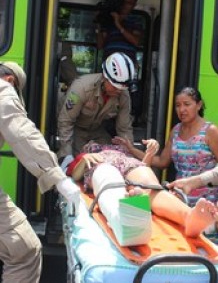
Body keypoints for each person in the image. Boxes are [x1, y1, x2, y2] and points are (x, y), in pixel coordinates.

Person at [0, 61, 81, 283]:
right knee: (25, 251)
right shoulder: (3, 89)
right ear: (11, 81)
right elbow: (22, 133)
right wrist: (57, 177)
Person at [66, 140, 218, 245]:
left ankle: (188, 217)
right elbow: (74, 175)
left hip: (129, 163)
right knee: (109, 182)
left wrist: (148, 154)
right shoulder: (86, 155)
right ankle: (124, 220)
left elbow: (143, 166)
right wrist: (84, 159)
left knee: (150, 186)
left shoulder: (124, 152)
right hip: (100, 164)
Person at [116, 87, 218, 199]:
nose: (181, 109)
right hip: (180, 197)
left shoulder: (211, 131)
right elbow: (161, 162)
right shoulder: (176, 130)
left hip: (208, 200)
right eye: (178, 105)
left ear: (199, 105)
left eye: (187, 104)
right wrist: (131, 149)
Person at [57, 52, 135, 159]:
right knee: (80, 162)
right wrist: (66, 155)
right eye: (115, 87)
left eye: (122, 89)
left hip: (97, 131)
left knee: (111, 159)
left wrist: (129, 155)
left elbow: (124, 129)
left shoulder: (123, 96)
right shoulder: (81, 88)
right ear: (104, 77)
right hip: (76, 130)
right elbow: (66, 122)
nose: (118, 91)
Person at [95, 0, 141, 65]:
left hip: (127, 66)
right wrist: (98, 23)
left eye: (128, 3)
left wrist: (118, 25)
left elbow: (136, 41)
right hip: (109, 65)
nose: (124, 5)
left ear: (134, 5)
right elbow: (100, 45)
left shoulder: (136, 20)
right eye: (123, 1)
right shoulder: (109, 18)